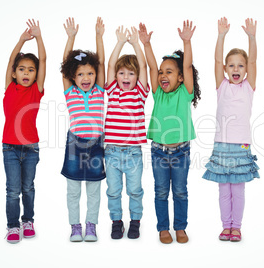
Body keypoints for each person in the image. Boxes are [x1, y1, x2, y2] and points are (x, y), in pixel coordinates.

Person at [139, 20, 201, 244]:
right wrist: (146, 44)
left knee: (181, 191)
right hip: (158, 152)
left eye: (170, 72)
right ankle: (163, 228)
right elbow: (152, 67)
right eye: (162, 73)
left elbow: (187, 65)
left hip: (182, 152)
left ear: (181, 78)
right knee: (161, 191)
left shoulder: (185, 93)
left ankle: (180, 227)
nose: (163, 75)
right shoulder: (158, 94)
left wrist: (187, 42)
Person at [202, 18, 260, 242]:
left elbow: (254, 62)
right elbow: (217, 60)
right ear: (226, 69)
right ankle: (226, 226)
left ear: (246, 70)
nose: (236, 69)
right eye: (231, 65)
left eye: (240, 65)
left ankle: (237, 227)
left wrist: (252, 38)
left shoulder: (248, 87)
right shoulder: (222, 85)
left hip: (241, 144)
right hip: (222, 145)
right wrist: (221, 36)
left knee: (238, 189)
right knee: (223, 190)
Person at [60, 17, 105, 242]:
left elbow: (102, 63)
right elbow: (63, 65)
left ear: (95, 75)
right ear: (72, 77)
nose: (85, 78)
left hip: (96, 144)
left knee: (94, 190)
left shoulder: (99, 91)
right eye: (80, 74)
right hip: (74, 144)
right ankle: (75, 226)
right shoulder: (71, 93)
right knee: (73, 189)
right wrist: (71, 38)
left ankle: (91, 225)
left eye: (89, 73)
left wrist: (99, 37)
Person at [3, 19, 46, 244]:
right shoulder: (10, 87)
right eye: (22, 69)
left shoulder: (36, 92)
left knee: (28, 188)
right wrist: (22, 40)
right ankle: (12, 226)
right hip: (9, 147)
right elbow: (12, 59)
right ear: (14, 74)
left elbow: (44, 60)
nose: (26, 72)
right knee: (13, 190)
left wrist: (39, 37)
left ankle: (27, 220)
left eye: (31, 69)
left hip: (31, 148)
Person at [104, 26, 149, 239]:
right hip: (111, 152)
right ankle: (116, 221)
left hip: (133, 153)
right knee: (113, 191)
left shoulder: (140, 93)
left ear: (137, 78)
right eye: (122, 73)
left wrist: (136, 44)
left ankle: (135, 221)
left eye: (131, 74)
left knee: (134, 190)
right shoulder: (112, 92)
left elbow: (143, 65)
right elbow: (111, 64)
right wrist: (120, 42)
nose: (125, 76)